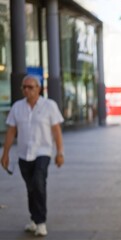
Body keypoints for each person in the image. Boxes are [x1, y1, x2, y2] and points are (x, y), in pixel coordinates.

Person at [0, 75, 64, 237]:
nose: (26, 90)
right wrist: (5, 153)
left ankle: (41, 221)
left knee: (38, 183)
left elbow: (56, 131)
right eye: (24, 87)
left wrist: (60, 153)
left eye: (30, 87)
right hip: (23, 154)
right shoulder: (17, 107)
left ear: (39, 89)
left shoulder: (49, 106)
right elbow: (11, 131)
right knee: (31, 187)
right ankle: (34, 219)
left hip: (43, 152)